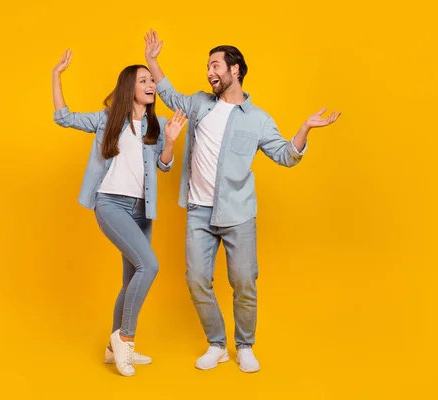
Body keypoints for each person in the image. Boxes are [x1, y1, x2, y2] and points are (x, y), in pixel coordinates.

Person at [144, 30, 341, 373]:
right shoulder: (200, 103)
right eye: (207, 65)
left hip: (238, 214)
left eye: (215, 65)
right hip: (198, 212)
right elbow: (170, 95)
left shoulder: (258, 119)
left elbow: (285, 155)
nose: (209, 71)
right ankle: (217, 343)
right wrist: (152, 62)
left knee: (244, 282)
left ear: (235, 70)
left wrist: (305, 128)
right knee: (196, 279)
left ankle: (245, 345)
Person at [52, 48, 187, 377]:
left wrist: (169, 142)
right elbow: (63, 118)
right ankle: (125, 338)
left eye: (152, 79)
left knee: (131, 281)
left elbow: (165, 167)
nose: (151, 84)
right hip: (110, 204)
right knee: (150, 265)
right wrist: (56, 75)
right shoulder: (107, 120)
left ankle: (114, 351)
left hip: (143, 210)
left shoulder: (159, 124)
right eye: (144, 80)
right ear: (130, 87)